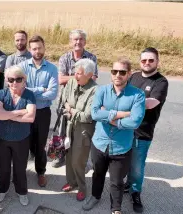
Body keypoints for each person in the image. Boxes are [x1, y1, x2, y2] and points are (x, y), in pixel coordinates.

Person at [82, 57, 146, 214]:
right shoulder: (102, 91)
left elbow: (135, 122)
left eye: (122, 72)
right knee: (98, 174)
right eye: (114, 71)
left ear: (129, 74)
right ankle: (95, 196)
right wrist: (121, 114)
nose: (118, 75)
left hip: (121, 147)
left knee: (117, 181)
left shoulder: (137, 95)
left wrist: (110, 118)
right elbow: (95, 114)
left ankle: (116, 208)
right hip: (99, 143)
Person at [125, 47, 169, 213]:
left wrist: (129, 104)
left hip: (143, 132)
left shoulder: (161, 82)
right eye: (144, 60)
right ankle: (128, 184)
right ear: (140, 62)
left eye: (151, 60)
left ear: (157, 61)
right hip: (126, 128)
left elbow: (151, 103)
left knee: (137, 166)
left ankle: (135, 193)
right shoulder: (134, 77)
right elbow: (123, 94)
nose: (147, 63)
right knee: (127, 160)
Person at [53, 29, 99, 168]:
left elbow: (93, 78)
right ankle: (60, 156)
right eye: (75, 39)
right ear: (71, 41)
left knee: (81, 131)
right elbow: (61, 79)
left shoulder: (92, 58)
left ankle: (81, 161)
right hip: (66, 99)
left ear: (84, 41)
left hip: (84, 99)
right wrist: (81, 75)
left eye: (80, 39)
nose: (78, 42)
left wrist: (72, 77)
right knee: (62, 129)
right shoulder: (64, 58)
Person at [0, 65, 36, 206]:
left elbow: (30, 118)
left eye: (18, 79)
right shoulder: (0, 94)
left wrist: (7, 115)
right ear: (6, 80)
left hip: (21, 139)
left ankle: (22, 191)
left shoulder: (29, 95)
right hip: (2, 138)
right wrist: (19, 112)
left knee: (20, 168)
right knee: (3, 167)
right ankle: (3, 189)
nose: (14, 83)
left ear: (24, 80)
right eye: (11, 80)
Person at [18, 35, 58, 187]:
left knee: (40, 145)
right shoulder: (22, 67)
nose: (37, 51)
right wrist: (41, 89)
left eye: (40, 47)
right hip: (25, 111)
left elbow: (52, 93)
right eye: (34, 48)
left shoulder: (52, 69)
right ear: (30, 50)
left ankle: (40, 172)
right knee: (24, 143)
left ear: (44, 47)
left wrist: (29, 91)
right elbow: (19, 90)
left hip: (42, 112)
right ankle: (21, 172)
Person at [60, 59, 98, 202]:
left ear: (89, 75)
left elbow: (88, 115)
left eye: (79, 73)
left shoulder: (95, 90)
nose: (75, 76)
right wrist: (72, 110)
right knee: (69, 157)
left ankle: (82, 187)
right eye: (75, 72)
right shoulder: (71, 82)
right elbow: (64, 98)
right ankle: (71, 182)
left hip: (84, 130)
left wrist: (71, 110)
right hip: (69, 125)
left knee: (78, 161)